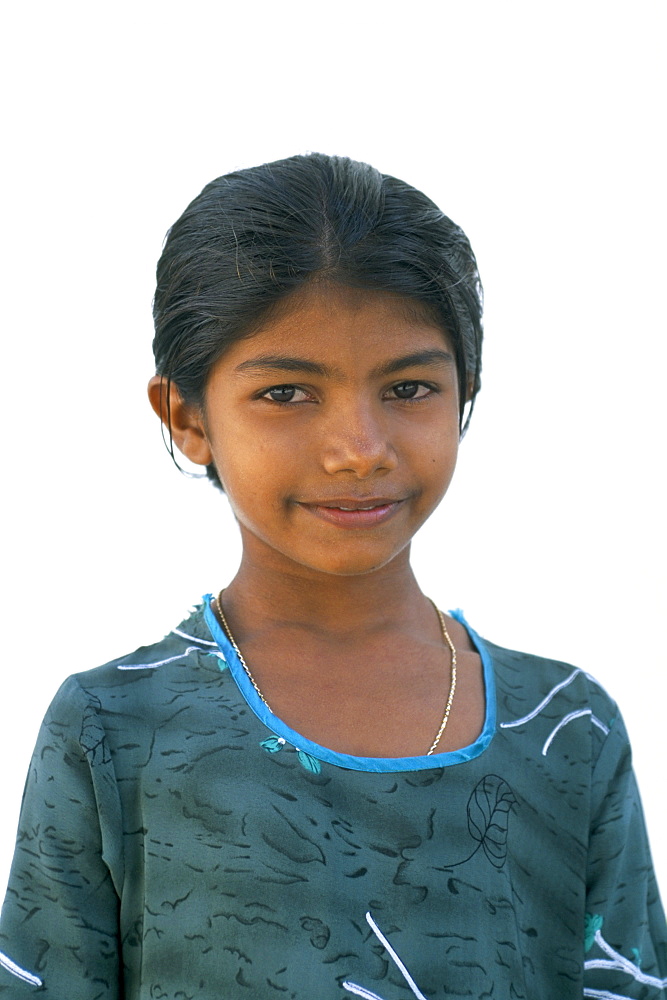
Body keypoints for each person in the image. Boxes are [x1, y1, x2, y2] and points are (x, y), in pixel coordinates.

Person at [0, 154, 664, 1000]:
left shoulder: (567, 729)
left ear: (467, 396)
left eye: (410, 387)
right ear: (187, 417)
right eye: (285, 393)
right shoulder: (115, 729)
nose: (360, 447)